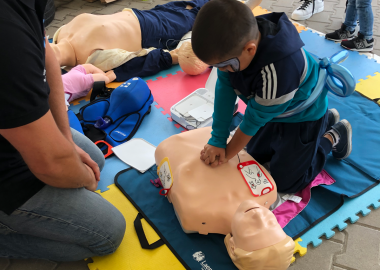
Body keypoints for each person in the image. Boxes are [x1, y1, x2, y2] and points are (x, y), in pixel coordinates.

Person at [0, 0, 125, 261]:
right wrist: (80, 177)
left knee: (95, 159)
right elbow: (50, 164)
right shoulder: (7, 39)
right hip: (7, 171)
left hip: (15, 136)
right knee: (109, 235)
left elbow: (47, 56)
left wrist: (66, 142)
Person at [191, 0, 353, 193]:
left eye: (226, 66)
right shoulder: (235, 45)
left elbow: (252, 121)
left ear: (250, 49)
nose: (224, 71)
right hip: (274, 110)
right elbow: (225, 89)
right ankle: (327, 120)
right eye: (217, 67)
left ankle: (333, 135)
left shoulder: (277, 72)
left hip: (302, 115)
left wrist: (225, 155)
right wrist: (217, 139)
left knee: (286, 183)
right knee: (255, 157)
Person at [51, 0, 209, 81]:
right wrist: (174, 56)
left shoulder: (88, 57)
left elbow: (142, 61)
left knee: (191, 10)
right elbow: (143, 60)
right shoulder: (63, 33)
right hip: (144, 22)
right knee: (192, 12)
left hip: (149, 23)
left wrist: (172, 57)